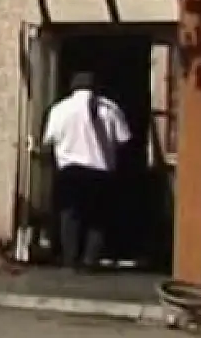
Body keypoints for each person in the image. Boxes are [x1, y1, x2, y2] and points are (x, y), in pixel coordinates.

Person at [41, 71, 131, 272]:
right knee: (97, 218)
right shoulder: (111, 109)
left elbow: (48, 141)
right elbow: (124, 140)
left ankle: (70, 260)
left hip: (70, 172)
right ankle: (90, 260)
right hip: (100, 172)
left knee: (69, 216)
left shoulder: (60, 109)